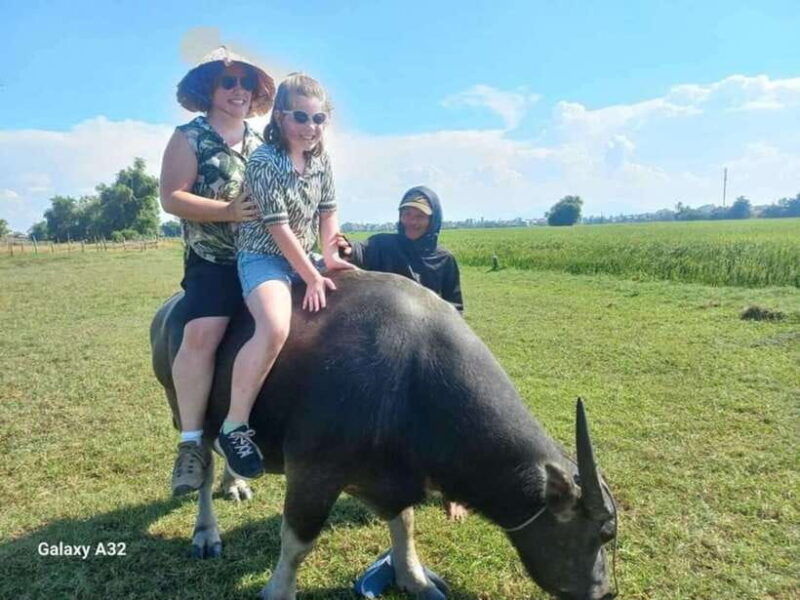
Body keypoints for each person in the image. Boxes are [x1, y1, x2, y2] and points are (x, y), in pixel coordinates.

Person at [214, 73, 356, 479]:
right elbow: (278, 228)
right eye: (301, 117)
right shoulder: (263, 161)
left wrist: (331, 257)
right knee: (275, 326)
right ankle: (234, 426)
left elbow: (328, 215)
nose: (310, 128)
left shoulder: (321, 160)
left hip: (305, 252)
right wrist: (311, 275)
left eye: (319, 119)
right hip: (264, 257)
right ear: (279, 117)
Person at [159, 46, 275, 496]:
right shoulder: (190, 137)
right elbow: (171, 197)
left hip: (263, 255)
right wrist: (227, 211)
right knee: (202, 333)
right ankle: (191, 444)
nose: (239, 90)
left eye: (246, 83)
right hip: (213, 261)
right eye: (229, 82)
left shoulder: (263, 144)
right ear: (209, 88)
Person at [343, 186, 463, 314]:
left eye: (420, 216)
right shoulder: (384, 245)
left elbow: (455, 308)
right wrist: (346, 248)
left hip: (425, 330)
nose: (412, 221)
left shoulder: (444, 259)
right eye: (407, 214)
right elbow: (360, 250)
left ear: (433, 221)